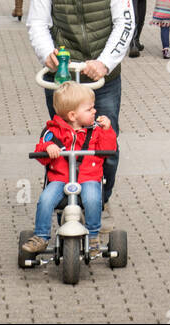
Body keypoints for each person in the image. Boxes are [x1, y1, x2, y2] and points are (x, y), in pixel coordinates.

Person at [26, 0, 133, 208]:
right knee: (62, 146)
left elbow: (125, 21)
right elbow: (36, 21)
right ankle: (62, 208)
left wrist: (105, 62)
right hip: (64, 78)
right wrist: (47, 53)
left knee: (106, 148)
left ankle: (100, 199)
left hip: (102, 79)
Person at [21, 82, 117, 259]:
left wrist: (107, 130)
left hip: (88, 177)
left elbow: (109, 149)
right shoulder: (53, 131)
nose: (95, 111)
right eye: (89, 109)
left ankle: (93, 235)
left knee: (93, 198)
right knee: (46, 199)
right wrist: (48, 148)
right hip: (60, 179)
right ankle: (41, 236)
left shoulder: (95, 130)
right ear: (72, 115)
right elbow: (41, 150)